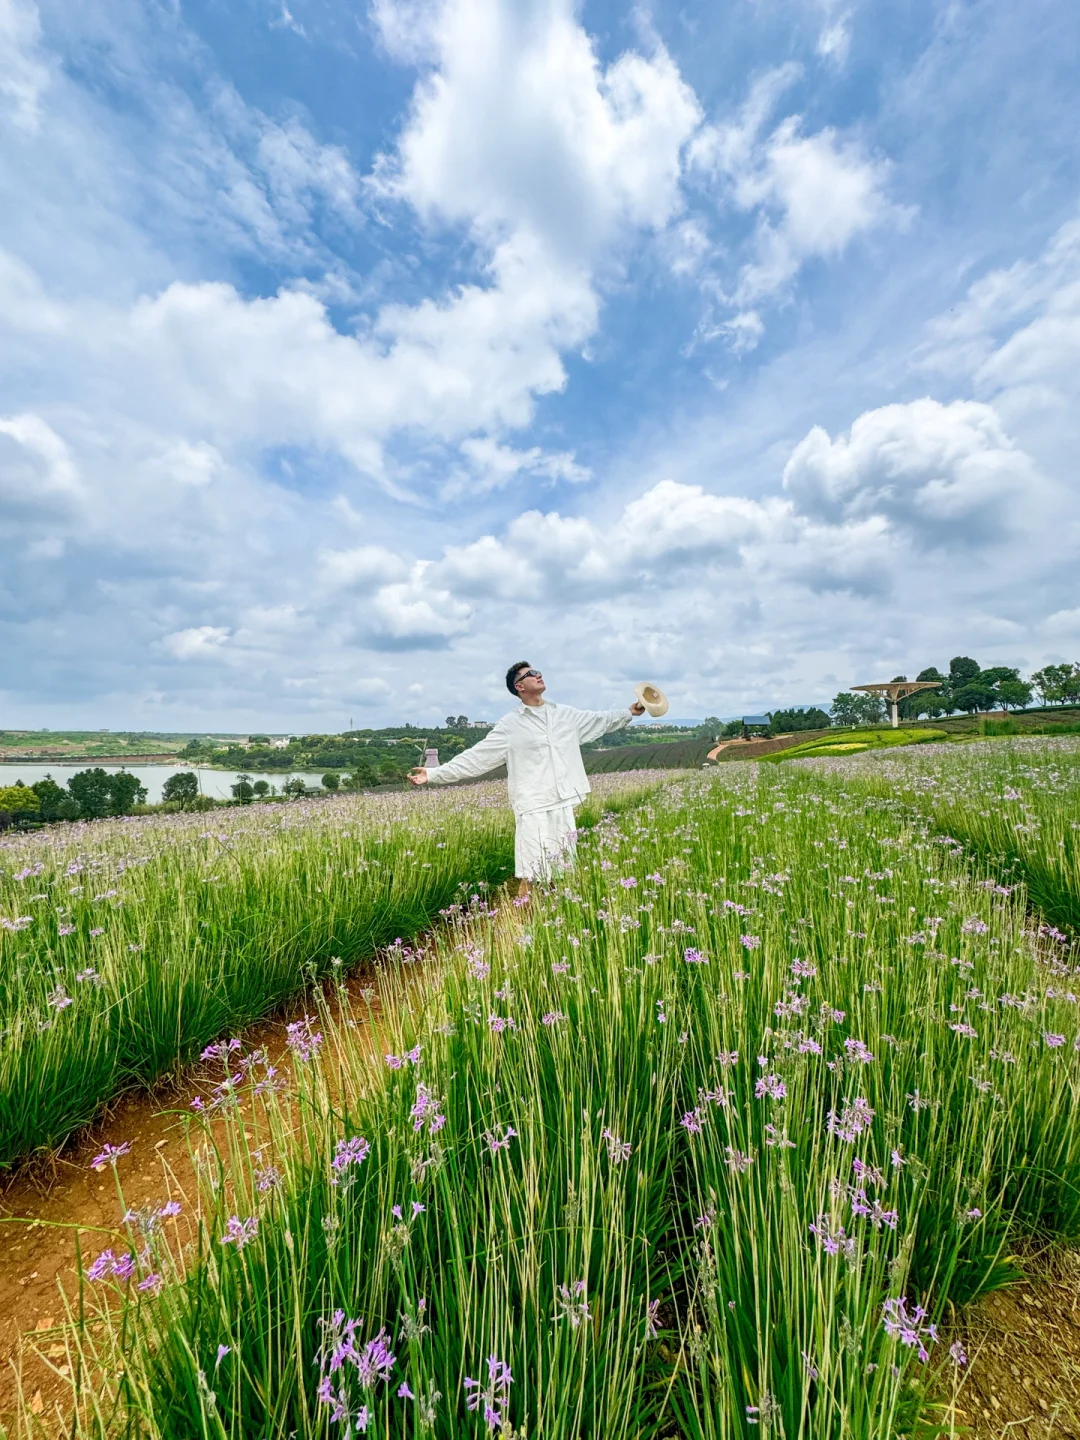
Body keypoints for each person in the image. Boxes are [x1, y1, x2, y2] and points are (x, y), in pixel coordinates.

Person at [408, 662, 645, 894]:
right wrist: (435, 773)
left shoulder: (564, 715)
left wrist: (629, 712)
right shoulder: (511, 725)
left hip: (563, 801)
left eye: (538, 671)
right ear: (519, 687)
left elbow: (599, 720)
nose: (538, 674)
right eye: (530, 674)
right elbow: (478, 756)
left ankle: (554, 923)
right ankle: (524, 924)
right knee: (531, 872)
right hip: (533, 805)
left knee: (562, 869)